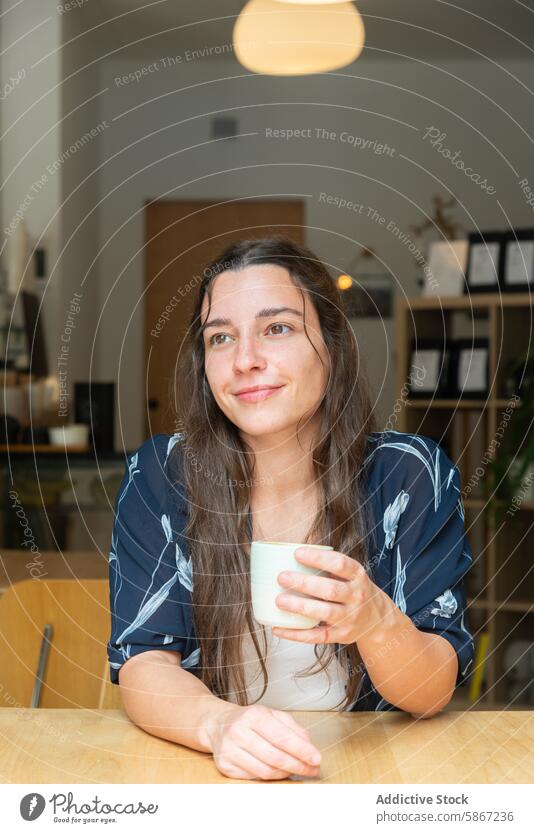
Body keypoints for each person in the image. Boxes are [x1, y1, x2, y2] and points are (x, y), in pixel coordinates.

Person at [107, 236, 474, 781]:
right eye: (221, 338)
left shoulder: (407, 474)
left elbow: (429, 691)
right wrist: (219, 726)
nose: (246, 361)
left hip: (368, 774)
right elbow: (142, 662)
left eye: (276, 328)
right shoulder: (164, 474)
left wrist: (372, 620)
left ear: (333, 344)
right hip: (212, 774)